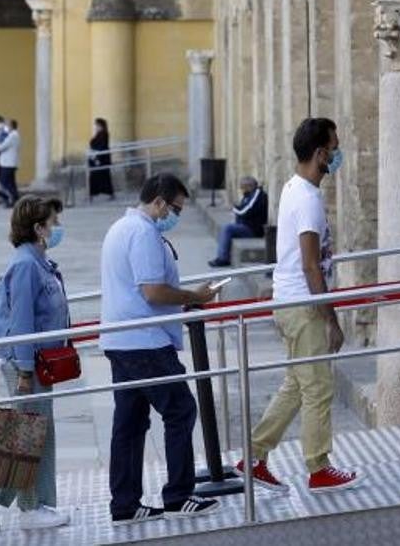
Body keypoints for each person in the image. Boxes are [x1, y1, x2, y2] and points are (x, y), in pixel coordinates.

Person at [237, 118, 360, 493]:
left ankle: (253, 456)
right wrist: (331, 319)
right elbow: (310, 264)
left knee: (296, 384)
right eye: (334, 148)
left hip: (289, 303)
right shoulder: (307, 199)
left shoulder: (294, 188)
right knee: (319, 387)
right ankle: (318, 468)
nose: (338, 154)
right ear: (320, 153)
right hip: (303, 307)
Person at [99, 173, 220, 524]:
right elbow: (152, 291)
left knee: (131, 423)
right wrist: (193, 297)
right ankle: (178, 496)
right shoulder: (144, 232)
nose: (175, 217)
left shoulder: (120, 228)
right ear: (159, 202)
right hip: (144, 342)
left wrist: (183, 298)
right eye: (175, 209)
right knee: (180, 409)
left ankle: (124, 504)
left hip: (120, 341)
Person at [0, 196, 71, 532]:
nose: (57, 228)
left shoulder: (40, 262)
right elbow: (23, 320)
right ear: (38, 228)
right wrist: (25, 370)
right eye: (53, 223)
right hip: (27, 361)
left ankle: (34, 504)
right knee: (29, 431)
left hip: (38, 361)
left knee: (37, 431)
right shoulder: (26, 265)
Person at [208, 176, 269, 267]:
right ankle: (222, 255)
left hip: (253, 230)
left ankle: (223, 258)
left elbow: (245, 211)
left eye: (242, 187)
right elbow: (241, 210)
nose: (241, 190)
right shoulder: (249, 195)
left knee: (227, 228)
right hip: (246, 226)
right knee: (228, 227)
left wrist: (233, 208)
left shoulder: (258, 194)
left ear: (249, 186)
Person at [0, 119, 22, 207]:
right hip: (10, 163)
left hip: (8, 163)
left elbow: (1, 147)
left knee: (4, 182)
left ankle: (12, 199)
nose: (6, 127)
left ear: (11, 126)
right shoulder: (14, 135)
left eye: (8, 125)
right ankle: (15, 200)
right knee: (11, 182)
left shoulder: (12, 136)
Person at [88, 117, 115, 201]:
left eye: (97, 125)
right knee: (97, 177)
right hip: (97, 158)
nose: (95, 127)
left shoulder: (104, 134)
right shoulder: (99, 134)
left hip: (101, 159)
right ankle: (93, 194)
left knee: (103, 177)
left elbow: (102, 146)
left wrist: (97, 157)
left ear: (101, 126)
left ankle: (108, 194)